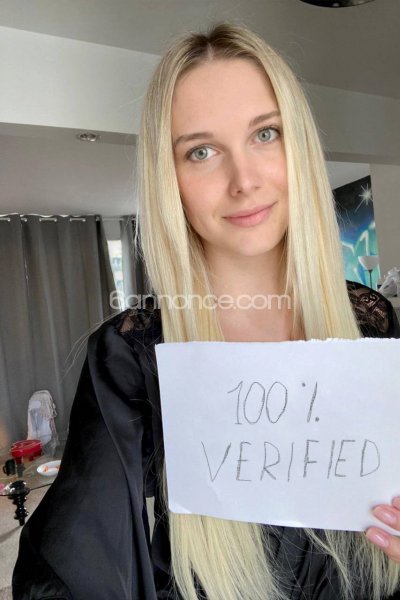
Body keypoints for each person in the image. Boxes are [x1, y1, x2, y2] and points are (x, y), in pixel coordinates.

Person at [13, 23, 400, 600]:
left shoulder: (373, 324)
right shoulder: (132, 357)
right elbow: (70, 569)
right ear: (169, 179)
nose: (244, 181)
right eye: (201, 151)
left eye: (265, 133)